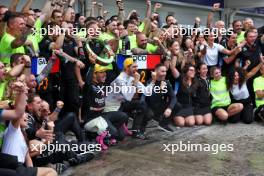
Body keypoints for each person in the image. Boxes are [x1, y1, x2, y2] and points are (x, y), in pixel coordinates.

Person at [82, 63, 129, 150]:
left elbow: (119, 76)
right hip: (90, 120)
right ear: (94, 74)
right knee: (114, 133)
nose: (105, 74)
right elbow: (88, 81)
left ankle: (108, 134)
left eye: (105, 72)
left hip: (102, 116)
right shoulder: (88, 87)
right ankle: (94, 136)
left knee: (123, 119)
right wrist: (92, 65)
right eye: (101, 72)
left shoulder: (102, 84)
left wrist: (113, 58)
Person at [105, 58, 154, 139]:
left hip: (122, 104)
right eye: (134, 67)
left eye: (137, 66)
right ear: (127, 68)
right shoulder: (119, 79)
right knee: (120, 137)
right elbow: (128, 97)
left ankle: (136, 131)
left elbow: (147, 92)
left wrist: (153, 81)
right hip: (112, 107)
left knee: (145, 107)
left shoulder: (132, 77)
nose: (137, 69)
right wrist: (135, 82)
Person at [144, 63, 178, 132]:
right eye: (162, 71)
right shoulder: (149, 82)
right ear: (155, 72)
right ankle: (141, 129)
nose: (165, 73)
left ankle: (163, 124)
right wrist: (160, 89)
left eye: (165, 71)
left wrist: (169, 108)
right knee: (149, 114)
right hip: (149, 107)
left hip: (160, 107)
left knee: (177, 105)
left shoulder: (166, 82)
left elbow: (173, 97)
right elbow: (149, 97)